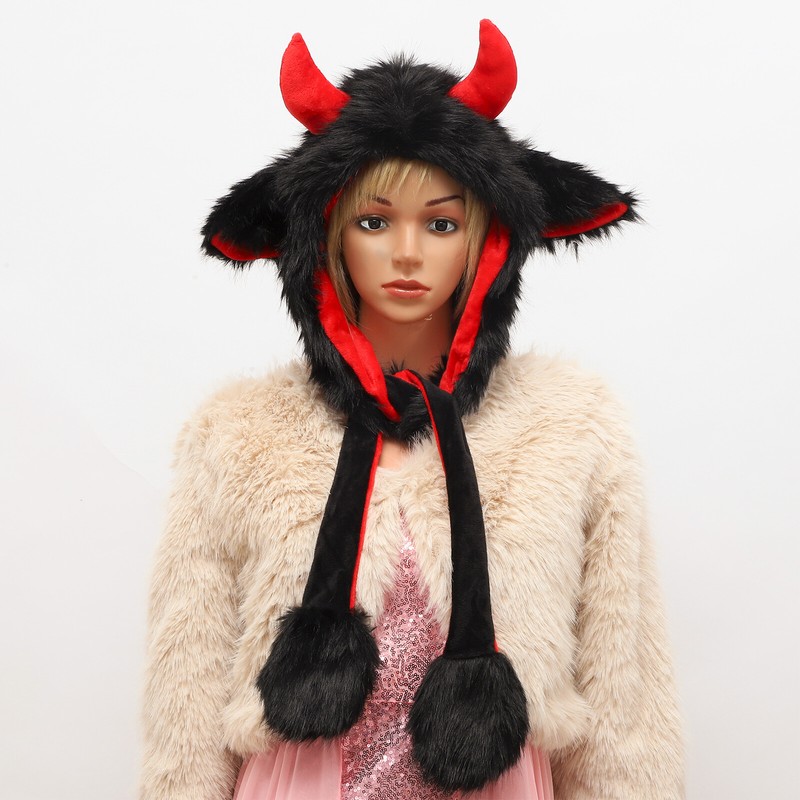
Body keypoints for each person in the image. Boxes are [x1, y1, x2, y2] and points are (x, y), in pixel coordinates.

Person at [140, 20, 685, 800]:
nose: (406, 252)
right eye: (373, 220)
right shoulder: (237, 435)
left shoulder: (571, 427)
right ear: (326, 238)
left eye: (441, 222)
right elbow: (185, 694)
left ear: (487, 243)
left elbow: (623, 689)